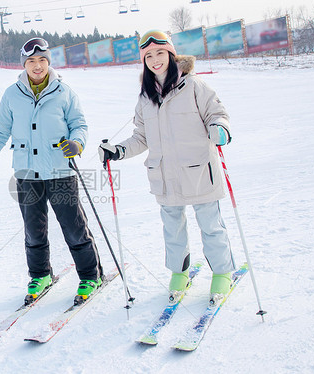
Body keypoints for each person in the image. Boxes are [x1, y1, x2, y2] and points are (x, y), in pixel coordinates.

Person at [98, 30, 236, 304]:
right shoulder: (146, 97)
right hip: (164, 176)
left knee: (211, 225)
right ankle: (179, 273)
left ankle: (222, 273)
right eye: (148, 56)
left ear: (171, 55)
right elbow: (142, 137)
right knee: (172, 228)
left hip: (199, 172)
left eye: (160, 53)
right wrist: (119, 150)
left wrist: (219, 128)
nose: (155, 60)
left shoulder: (195, 87)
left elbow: (218, 114)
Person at [0, 37, 103, 305]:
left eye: (42, 60)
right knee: (34, 230)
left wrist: (76, 144)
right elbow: (0, 132)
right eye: (31, 61)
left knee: (74, 227)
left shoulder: (64, 92)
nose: (37, 66)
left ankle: (90, 274)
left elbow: (80, 125)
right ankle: (40, 274)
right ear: (24, 64)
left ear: (48, 62)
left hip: (60, 172)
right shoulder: (12, 94)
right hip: (26, 174)